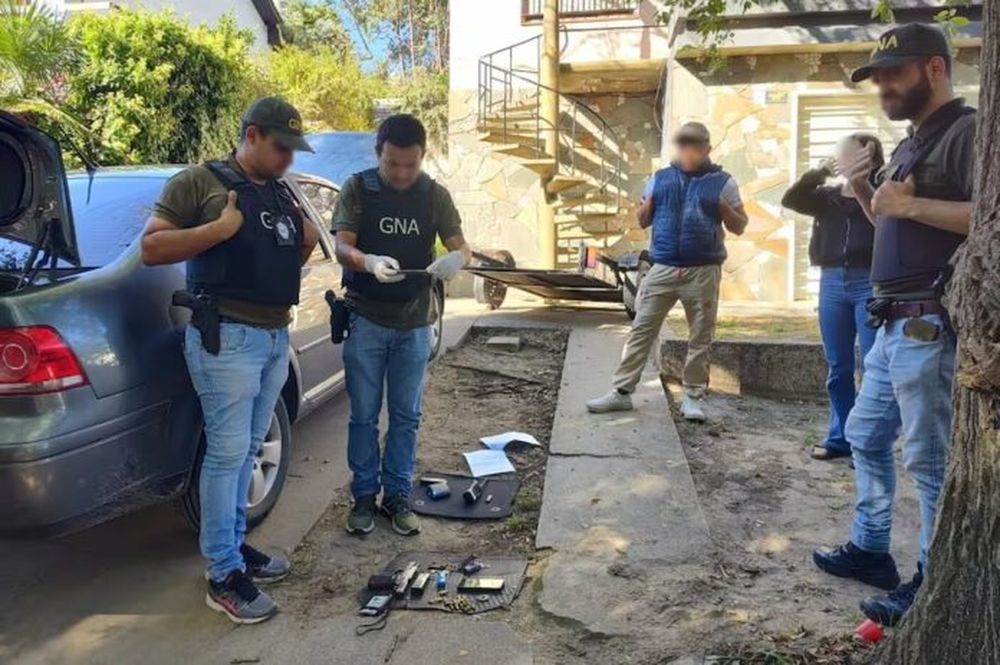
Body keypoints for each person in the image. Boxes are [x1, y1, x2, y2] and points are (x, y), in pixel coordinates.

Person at [812, 24, 975, 627]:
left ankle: (929, 582)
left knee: (928, 462)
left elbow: (988, 218)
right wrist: (862, 189)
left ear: (934, 68)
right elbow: (892, 226)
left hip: (929, 325)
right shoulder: (912, 141)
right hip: (891, 324)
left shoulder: (967, 130)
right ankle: (871, 549)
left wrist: (910, 205)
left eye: (893, 72)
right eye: (877, 75)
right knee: (864, 434)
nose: (882, 84)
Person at [141, 97, 319, 624]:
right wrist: (216, 232)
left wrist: (306, 244)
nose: (288, 158)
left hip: (271, 336)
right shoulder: (198, 182)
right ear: (252, 134)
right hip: (229, 338)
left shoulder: (279, 190)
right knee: (225, 455)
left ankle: (236, 551)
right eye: (281, 147)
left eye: (293, 149)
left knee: (245, 452)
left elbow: (278, 258)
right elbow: (153, 248)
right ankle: (222, 576)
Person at [333, 114, 470, 537]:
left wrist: (456, 261)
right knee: (363, 416)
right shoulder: (359, 188)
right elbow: (341, 245)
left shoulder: (434, 196)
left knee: (407, 416)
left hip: (414, 321)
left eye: (410, 165)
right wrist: (367, 262)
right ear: (379, 154)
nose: (402, 173)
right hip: (366, 318)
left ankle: (396, 496)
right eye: (393, 163)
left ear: (422, 157)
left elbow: (462, 247)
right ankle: (362, 498)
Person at [586, 121, 748, 421]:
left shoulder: (723, 181)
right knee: (641, 328)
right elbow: (643, 220)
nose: (689, 150)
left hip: (703, 269)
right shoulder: (659, 179)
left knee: (701, 336)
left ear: (707, 148)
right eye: (683, 143)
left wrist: (724, 207)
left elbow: (740, 226)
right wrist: (643, 207)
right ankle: (621, 392)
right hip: (662, 267)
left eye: (696, 144)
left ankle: (692, 397)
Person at [782, 134, 883, 461]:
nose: (848, 157)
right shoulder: (825, 197)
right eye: (845, 152)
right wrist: (821, 171)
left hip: (868, 282)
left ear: (871, 158)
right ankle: (840, 438)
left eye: (857, 153)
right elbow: (791, 198)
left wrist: (865, 183)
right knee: (838, 365)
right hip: (831, 283)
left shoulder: (881, 195)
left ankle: (866, 445)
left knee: (871, 364)